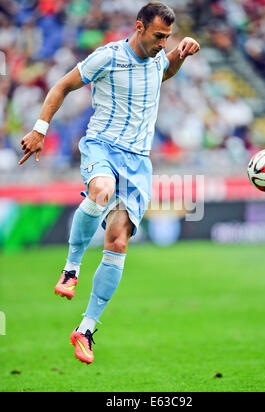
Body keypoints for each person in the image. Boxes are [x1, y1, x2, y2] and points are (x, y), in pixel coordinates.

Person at [18, 2, 200, 364]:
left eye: (168, 37)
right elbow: (62, 86)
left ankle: (85, 328)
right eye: (158, 36)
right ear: (139, 27)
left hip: (138, 163)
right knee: (100, 191)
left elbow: (163, 72)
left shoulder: (158, 57)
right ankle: (71, 268)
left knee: (117, 241)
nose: (162, 43)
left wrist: (180, 54)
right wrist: (40, 129)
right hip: (102, 146)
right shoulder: (108, 57)